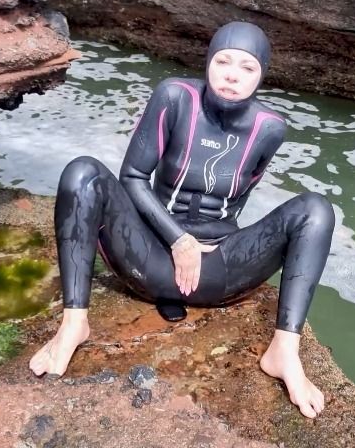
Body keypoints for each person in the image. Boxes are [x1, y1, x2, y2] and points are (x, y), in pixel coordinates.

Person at [29, 21, 335, 418]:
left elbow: (240, 197)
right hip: (150, 257)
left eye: (247, 67)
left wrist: (217, 247)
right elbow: (134, 177)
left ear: (261, 75)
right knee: (82, 172)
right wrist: (179, 240)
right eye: (223, 61)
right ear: (208, 62)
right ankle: (74, 324)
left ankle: (284, 352)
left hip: (219, 272)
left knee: (316, 210)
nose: (232, 75)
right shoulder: (175, 97)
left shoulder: (270, 128)